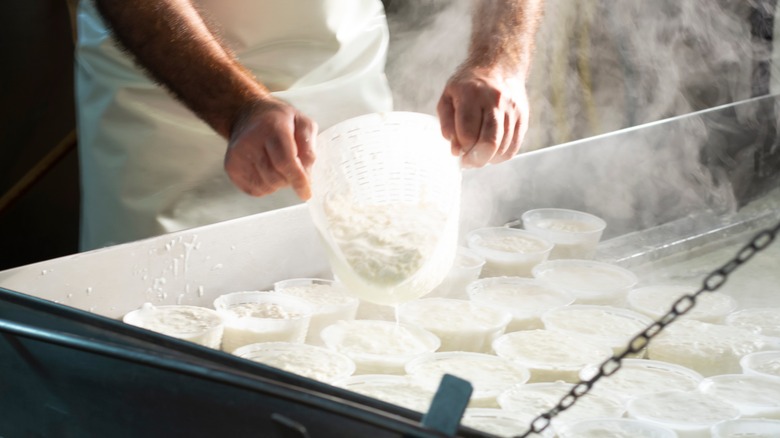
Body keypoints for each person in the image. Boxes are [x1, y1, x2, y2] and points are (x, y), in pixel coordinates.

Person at [76, 0, 544, 251]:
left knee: (349, 289)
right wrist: (235, 108)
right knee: (160, 332)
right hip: (171, 104)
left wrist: (499, 59)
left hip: (340, 65)